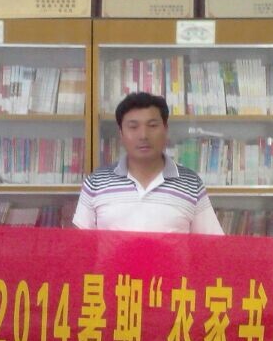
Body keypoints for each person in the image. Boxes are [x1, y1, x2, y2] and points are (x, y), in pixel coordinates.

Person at [72, 91, 223, 235]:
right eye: (133, 127)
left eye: (152, 126)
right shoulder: (96, 182)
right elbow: (81, 244)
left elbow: (211, 243)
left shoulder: (191, 183)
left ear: (165, 129)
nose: (143, 135)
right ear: (121, 134)